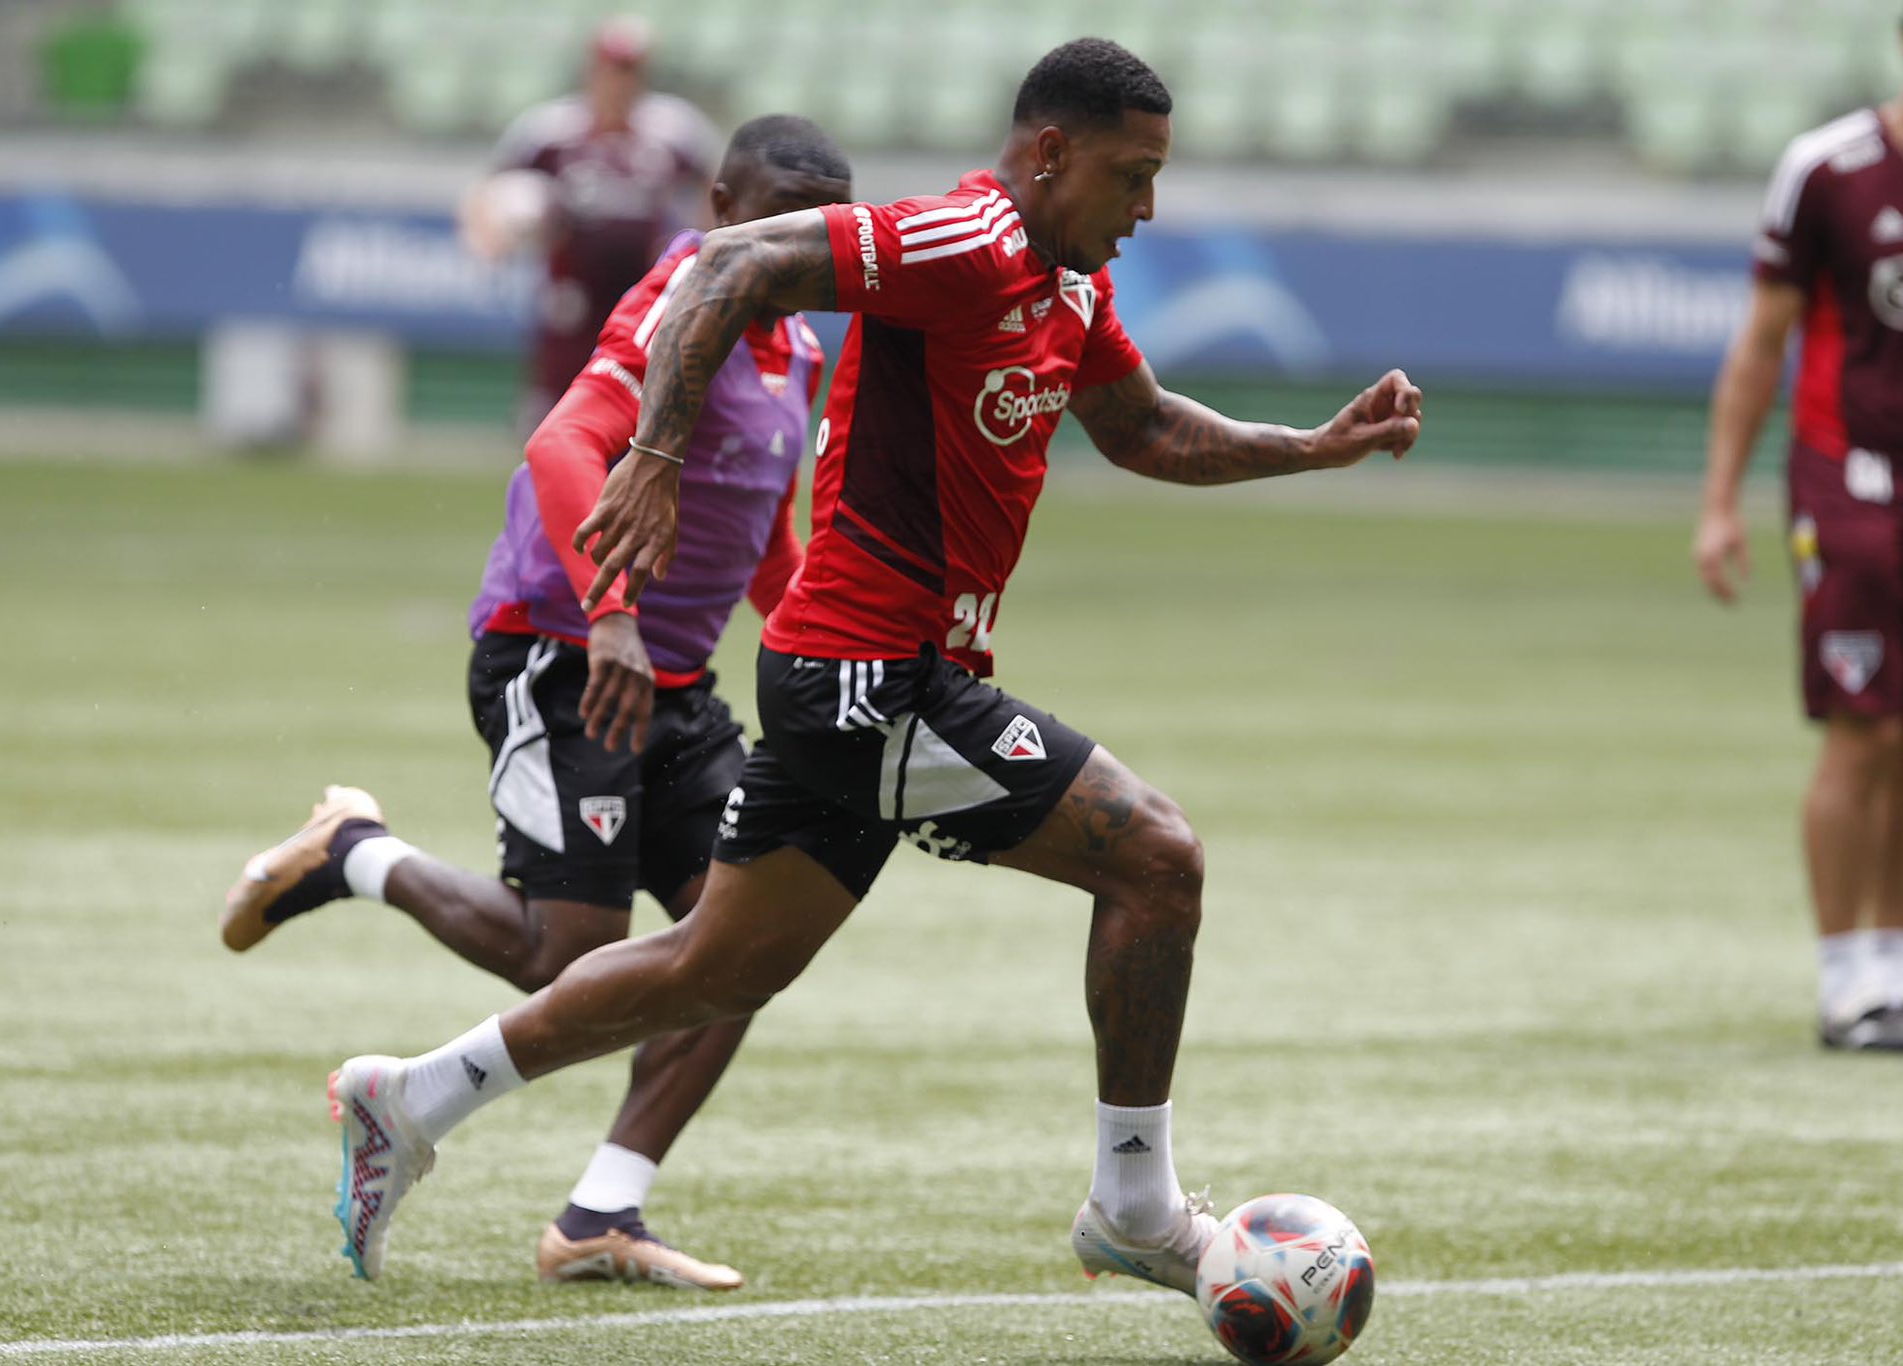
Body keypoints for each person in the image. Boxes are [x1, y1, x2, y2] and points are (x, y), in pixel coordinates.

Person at [323, 38, 1423, 1289]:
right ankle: (1134, 1203)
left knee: (707, 966)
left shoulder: (1062, 285)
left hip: (850, 675)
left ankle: (409, 1100)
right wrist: (661, 453)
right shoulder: (965, 240)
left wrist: (1311, 447)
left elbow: (1139, 426)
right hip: (871, 675)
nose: (1147, 209)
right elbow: (731, 261)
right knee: (1157, 861)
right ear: (1049, 154)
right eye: (1130, 176)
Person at [225, 115, 855, 1285]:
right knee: (556, 951)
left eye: (810, 235)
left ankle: (599, 1214)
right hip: (559, 652)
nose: (786, 251)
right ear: (718, 209)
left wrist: (832, 641)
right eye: (765, 223)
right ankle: (352, 850)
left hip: (674, 683)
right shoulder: (682, 307)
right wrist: (610, 611)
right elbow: (560, 448)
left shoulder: (798, 348)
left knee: (747, 938)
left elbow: (765, 528)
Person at [1694, 5, 1903, 1053]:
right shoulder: (1826, 169)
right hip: (1848, 482)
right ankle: (1844, 979)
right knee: (1862, 728)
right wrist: (1717, 500)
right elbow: (1759, 344)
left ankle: (1899, 967)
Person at [458, 15, 718, 432]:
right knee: (557, 417)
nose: (619, 82)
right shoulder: (550, 130)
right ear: (593, 69)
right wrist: (489, 240)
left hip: (644, 294)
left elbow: (716, 188)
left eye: (629, 70)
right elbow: (488, 191)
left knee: (639, 416)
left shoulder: (673, 130)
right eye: (612, 69)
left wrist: (705, 249)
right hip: (571, 297)